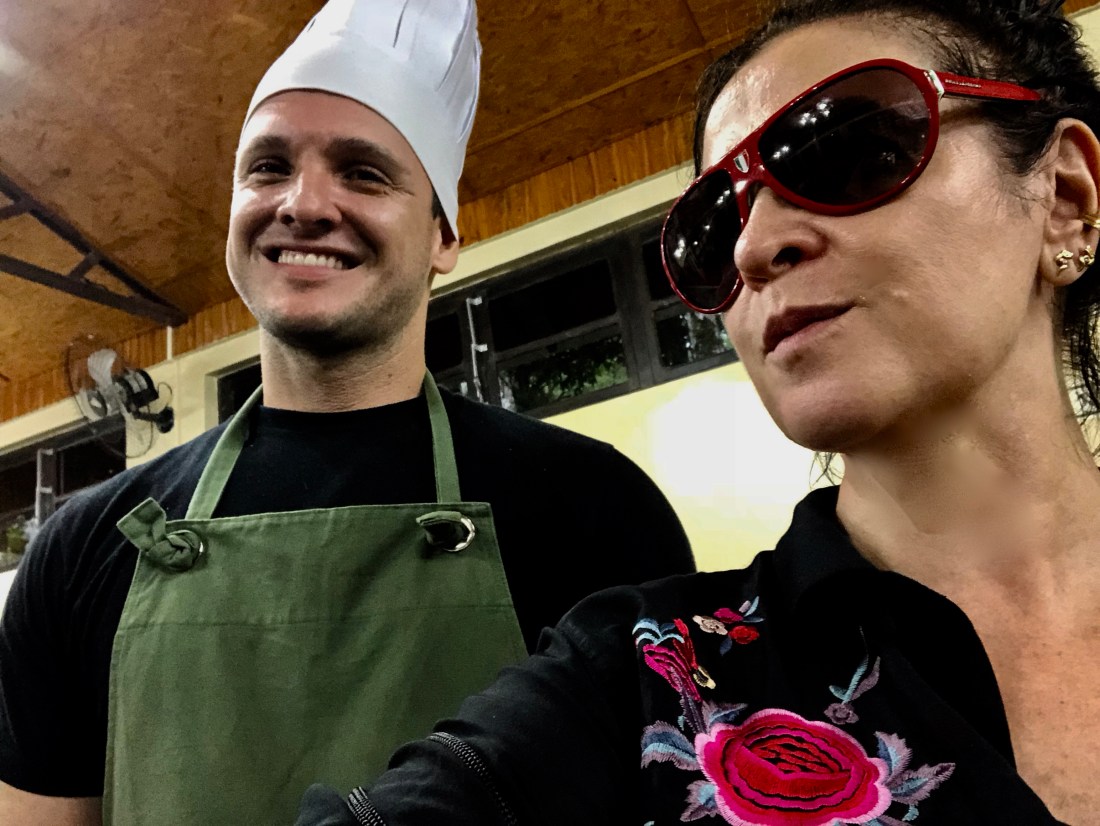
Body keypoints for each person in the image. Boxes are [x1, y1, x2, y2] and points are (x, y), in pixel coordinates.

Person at [295, 0, 1100, 823]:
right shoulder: (649, 674)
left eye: (847, 153)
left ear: (1064, 197)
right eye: (714, 228)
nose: (753, 248)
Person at [0, 1, 694, 824]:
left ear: (443, 236)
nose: (303, 203)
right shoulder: (84, 548)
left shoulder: (597, 510)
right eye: (267, 167)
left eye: (362, 172)